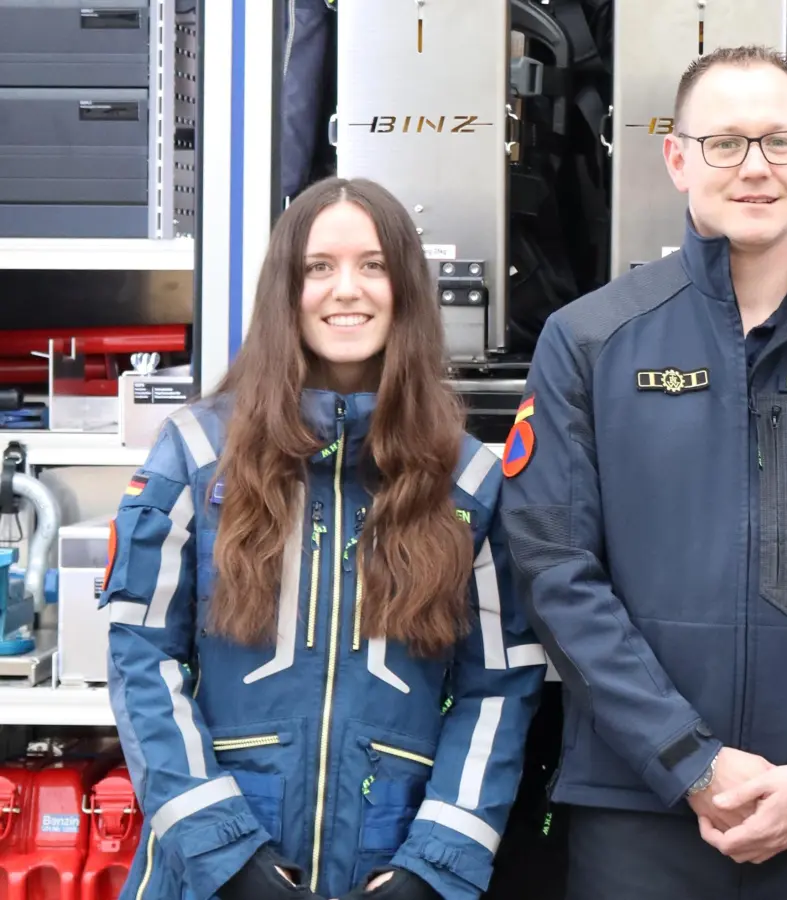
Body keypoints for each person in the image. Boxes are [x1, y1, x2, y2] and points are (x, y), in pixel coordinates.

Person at [498, 44, 787, 899]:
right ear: (677, 158)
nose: (755, 167)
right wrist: (690, 761)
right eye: (724, 143)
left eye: (779, 142)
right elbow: (556, 571)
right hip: (636, 809)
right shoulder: (588, 342)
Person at [102, 177, 545, 900]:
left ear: (405, 287)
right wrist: (223, 854)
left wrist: (434, 866)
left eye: (373, 265)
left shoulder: (467, 480)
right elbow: (141, 659)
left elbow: (499, 687)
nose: (348, 290)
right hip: (211, 870)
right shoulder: (195, 453)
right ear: (286, 289)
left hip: (389, 863)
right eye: (319, 267)